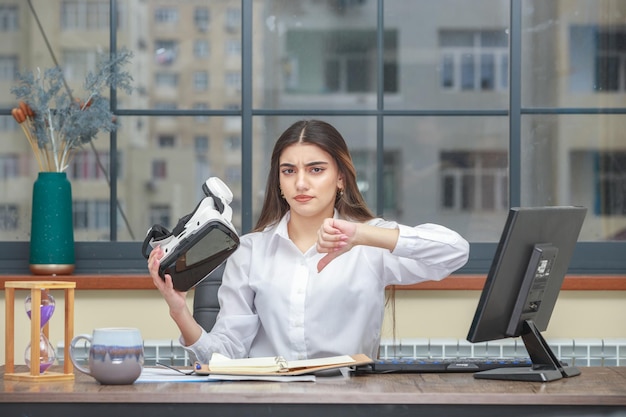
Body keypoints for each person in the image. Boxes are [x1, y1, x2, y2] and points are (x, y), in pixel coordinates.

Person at [148, 119, 469, 363]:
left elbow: (454, 251)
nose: (301, 182)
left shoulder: (370, 243)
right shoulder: (249, 251)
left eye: (316, 169)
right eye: (289, 171)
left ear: (340, 178)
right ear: (279, 182)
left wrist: (361, 234)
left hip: (349, 404)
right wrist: (179, 312)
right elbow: (224, 358)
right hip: (270, 406)